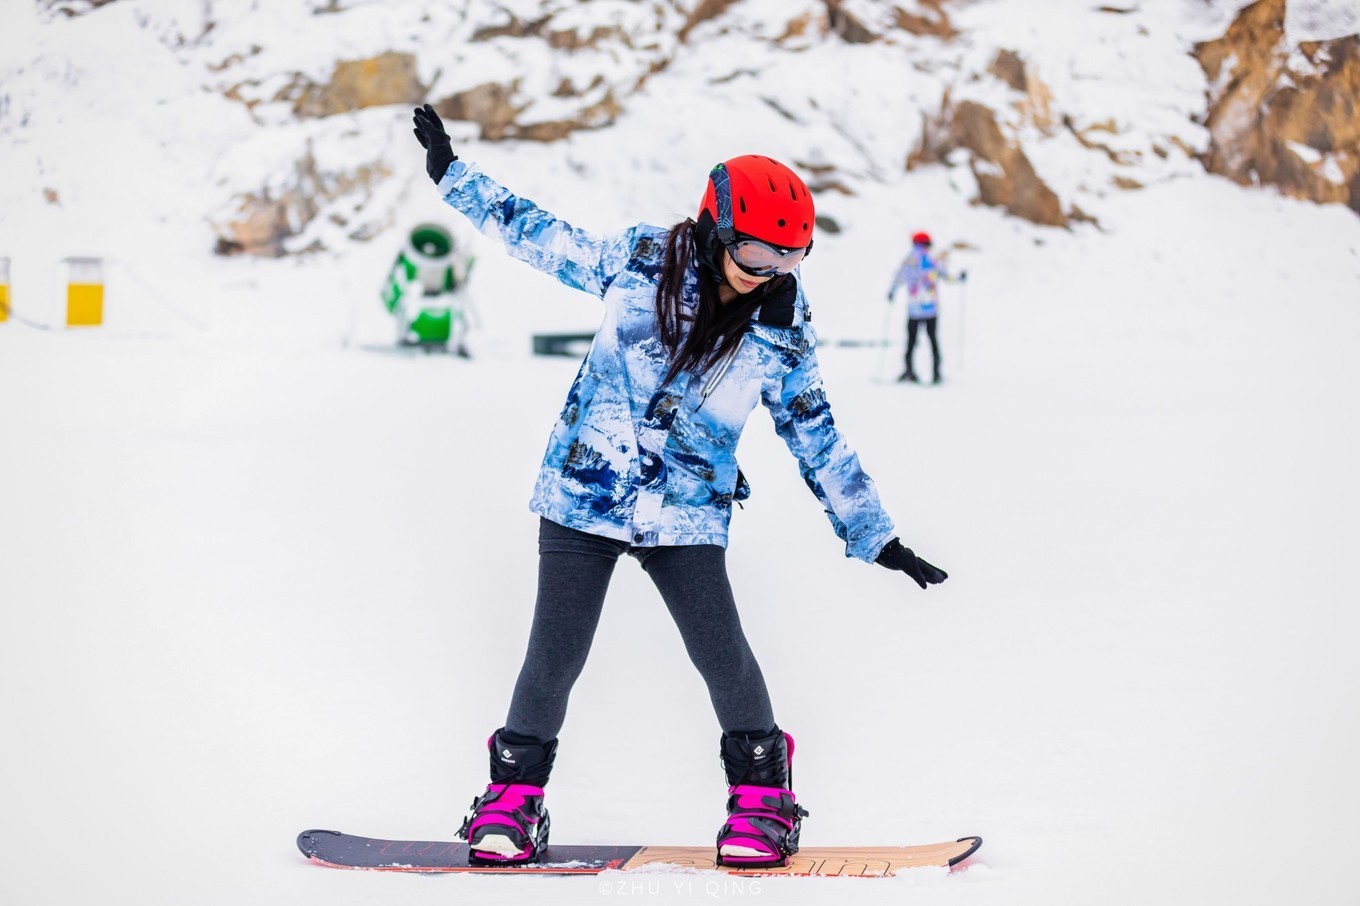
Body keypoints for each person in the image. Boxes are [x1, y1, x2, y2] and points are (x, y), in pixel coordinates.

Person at [411, 103, 949, 869]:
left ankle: (764, 800)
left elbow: (815, 433)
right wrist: (453, 177)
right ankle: (514, 802)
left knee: (721, 654)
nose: (772, 273)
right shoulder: (640, 261)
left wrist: (874, 534)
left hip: (687, 511)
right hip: (583, 494)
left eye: (791, 259)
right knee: (553, 658)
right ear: (716, 230)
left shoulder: (780, 329)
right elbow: (542, 238)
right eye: (760, 254)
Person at [380, 222, 477, 355]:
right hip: (418, 294)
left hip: (439, 296)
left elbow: (459, 275)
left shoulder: (448, 259)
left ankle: (443, 339)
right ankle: (412, 335)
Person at [886, 231, 965, 384]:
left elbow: (899, 277)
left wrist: (892, 292)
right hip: (930, 308)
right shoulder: (932, 260)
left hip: (914, 308)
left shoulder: (909, 260)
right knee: (933, 340)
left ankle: (909, 371)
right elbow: (947, 276)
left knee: (911, 341)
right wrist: (960, 278)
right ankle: (936, 373)